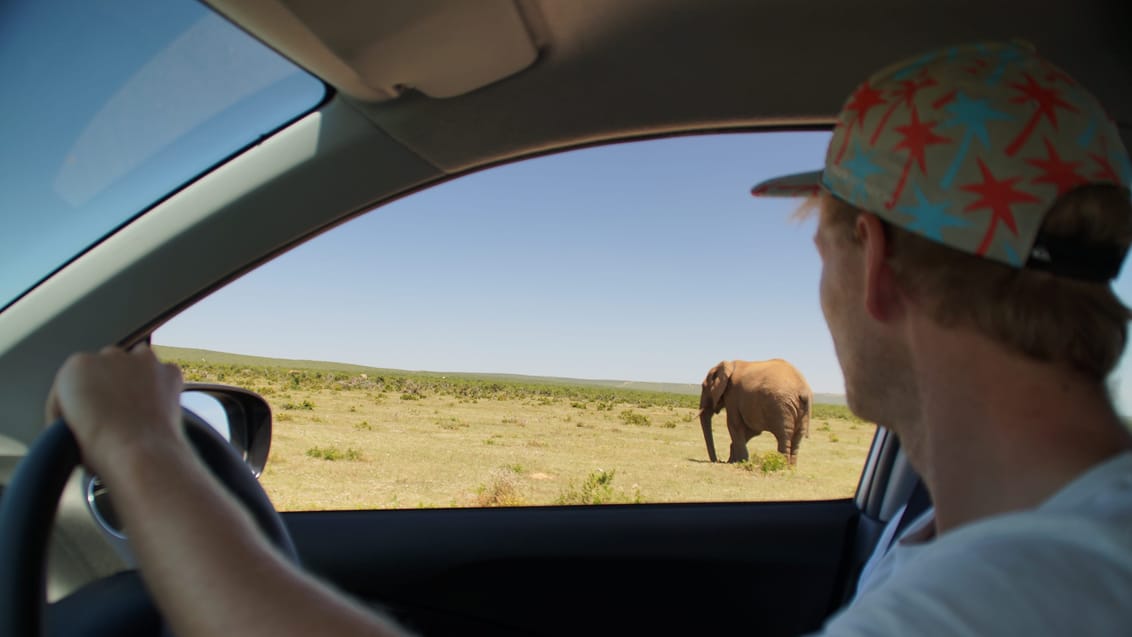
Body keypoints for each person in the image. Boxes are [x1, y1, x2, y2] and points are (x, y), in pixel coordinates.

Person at [46, 40, 1132, 636]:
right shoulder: (985, 533)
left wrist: (144, 450)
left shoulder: (1015, 598)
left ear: (877, 266)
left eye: (823, 258)